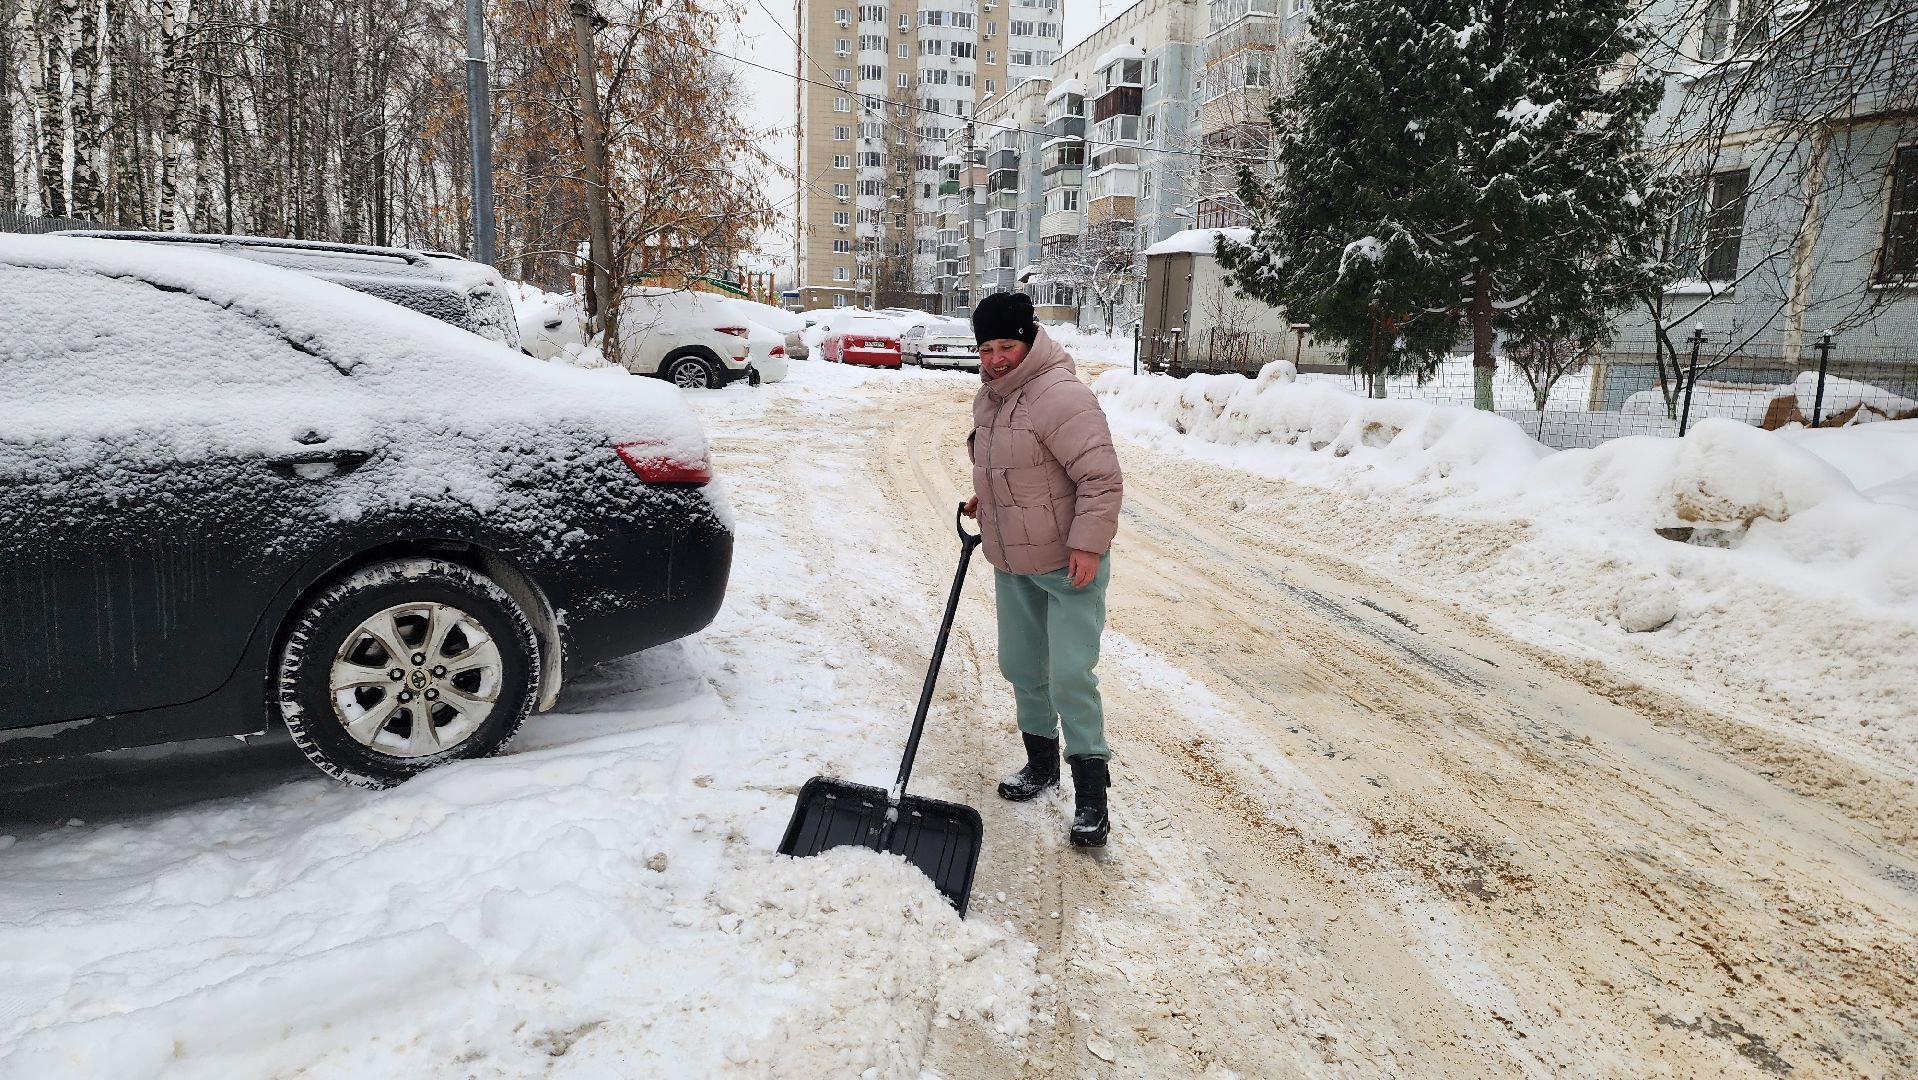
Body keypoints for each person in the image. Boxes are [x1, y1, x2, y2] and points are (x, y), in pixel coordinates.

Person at [961, 292, 1123, 848]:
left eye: (1006, 345)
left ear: (1029, 341)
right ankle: (1042, 765)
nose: (995, 358)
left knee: (1070, 676)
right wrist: (989, 500)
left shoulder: (1060, 395)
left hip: (1067, 565)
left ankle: (1091, 798)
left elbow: (1100, 480)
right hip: (1013, 562)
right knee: (1021, 667)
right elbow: (1009, 465)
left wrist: (1088, 546)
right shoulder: (992, 398)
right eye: (985, 348)